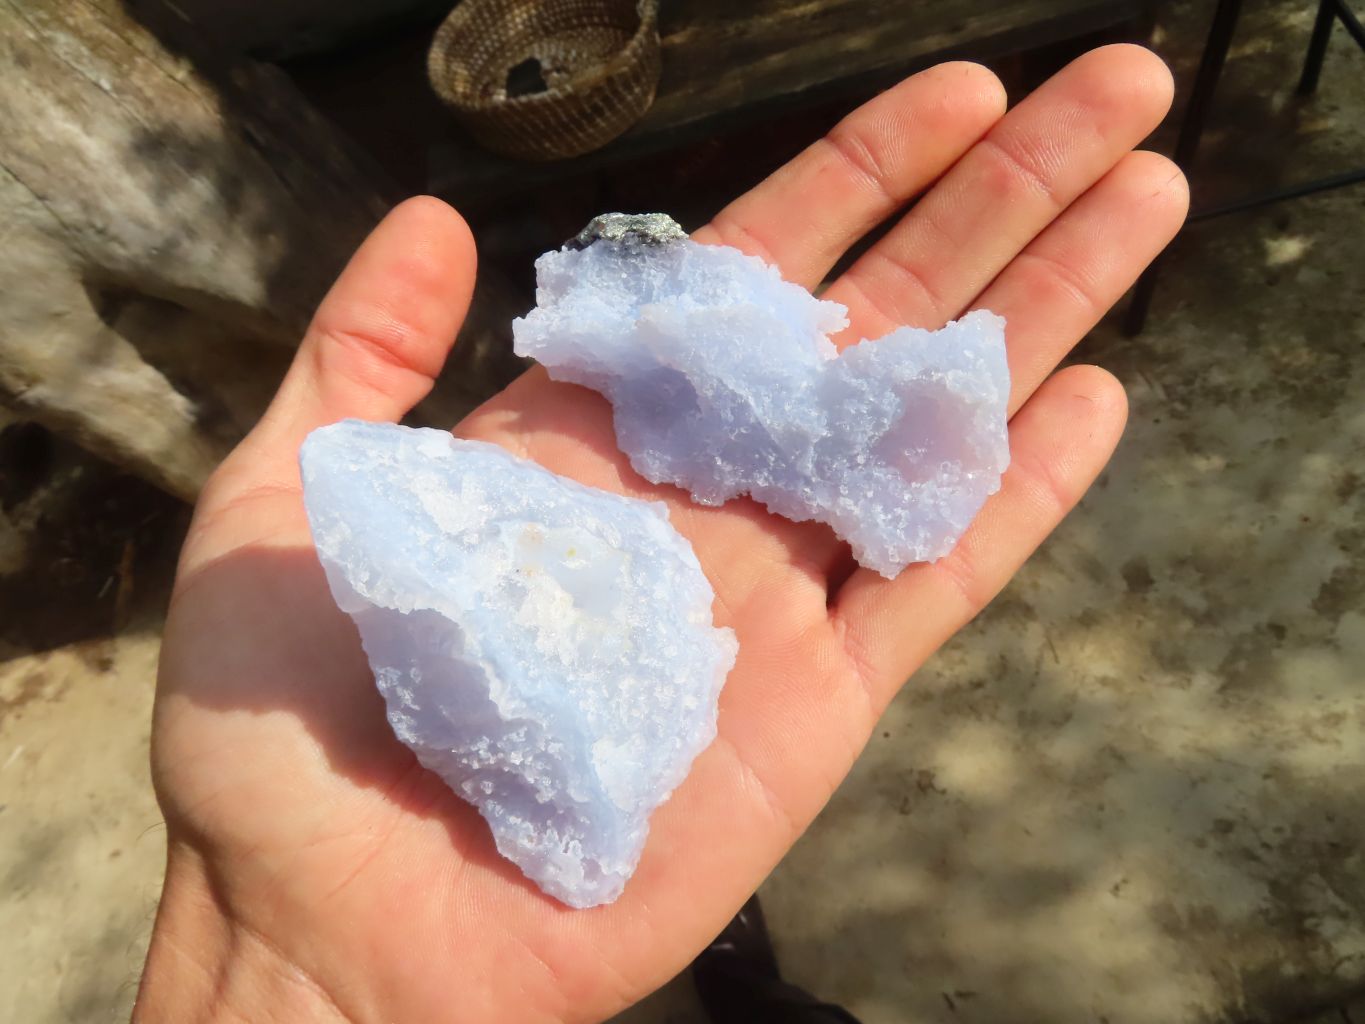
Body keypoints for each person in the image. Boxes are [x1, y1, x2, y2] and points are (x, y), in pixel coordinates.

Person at [132, 45, 1186, 1024]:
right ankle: (736, 983)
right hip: (601, 710)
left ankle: (735, 982)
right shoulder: (428, 505)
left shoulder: (806, 427)